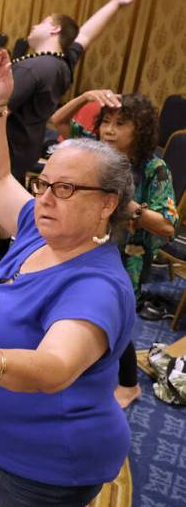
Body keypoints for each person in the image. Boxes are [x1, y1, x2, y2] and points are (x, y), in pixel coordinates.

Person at [0, 49, 136, 506]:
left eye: (66, 189)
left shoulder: (97, 287)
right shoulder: (40, 231)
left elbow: (55, 369)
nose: (45, 199)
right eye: (43, 183)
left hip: (53, 459)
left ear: (108, 203)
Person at [0, 0, 148, 273]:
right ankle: (9, 260)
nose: (34, 26)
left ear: (54, 29)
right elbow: (87, 33)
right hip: (25, 148)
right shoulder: (61, 63)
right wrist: (116, 2)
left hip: (4, 147)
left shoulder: (32, 68)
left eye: (42, 22)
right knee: (0, 206)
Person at [51, 90, 177, 408]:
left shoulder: (154, 168)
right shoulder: (96, 154)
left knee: (116, 319)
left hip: (127, 256)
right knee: (78, 306)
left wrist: (130, 207)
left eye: (120, 124)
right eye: (106, 121)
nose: (109, 130)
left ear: (140, 130)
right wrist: (84, 98)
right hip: (85, 246)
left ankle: (129, 384)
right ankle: (79, 366)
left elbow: (166, 226)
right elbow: (58, 121)